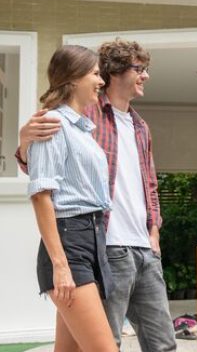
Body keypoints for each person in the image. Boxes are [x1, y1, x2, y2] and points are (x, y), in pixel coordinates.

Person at [17, 39, 177, 351]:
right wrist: (25, 142)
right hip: (96, 243)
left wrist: (153, 229)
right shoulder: (77, 117)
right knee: (106, 345)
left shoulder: (129, 126)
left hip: (116, 245)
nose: (145, 76)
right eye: (139, 69)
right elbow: (41, 186)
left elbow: (150, 183)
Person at [27, 45, 117, 351]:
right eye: (95, 73)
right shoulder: (52, 123)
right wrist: (60, 266)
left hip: (91, 240)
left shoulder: (81, 129)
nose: (101, 81)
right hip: (70, 244)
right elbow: (41, 196)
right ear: (74, 78)